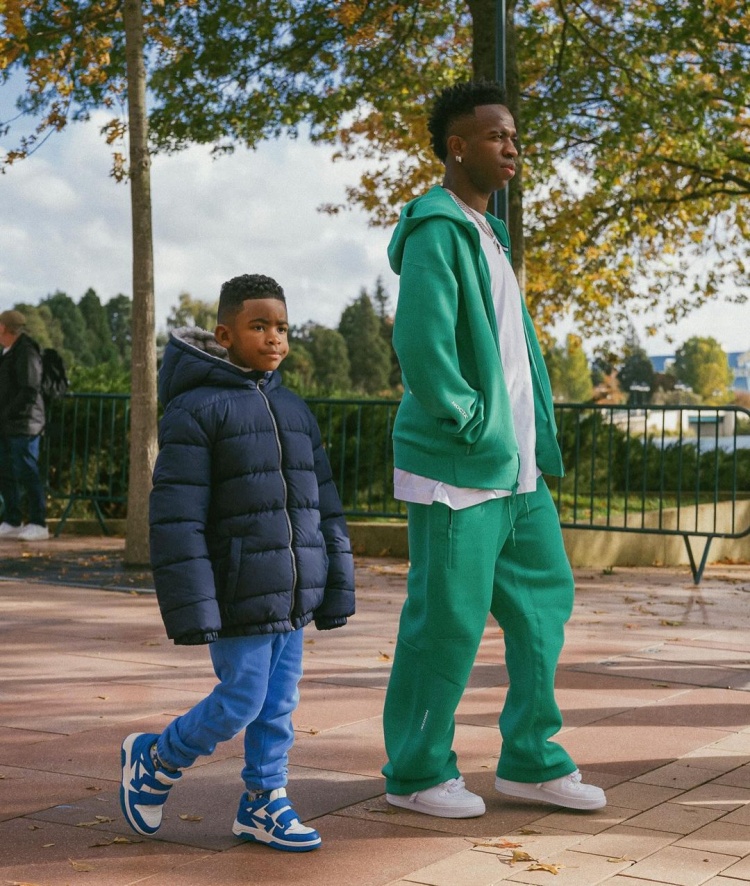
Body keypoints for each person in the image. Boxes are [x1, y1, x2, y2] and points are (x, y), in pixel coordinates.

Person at [381, 81, 606, 818]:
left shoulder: (489, 235)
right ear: (457, 146)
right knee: (446, 622)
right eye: (495, 135)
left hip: (518, 470)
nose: (511, 147)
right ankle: (416, 773)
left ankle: (532, 762)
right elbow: (422, 344)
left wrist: (527, 438)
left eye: (513, 136)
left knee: (542, 609)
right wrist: (472, 421)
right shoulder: (436, 229)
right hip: (458, 467)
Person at [119, 274, 355, 852]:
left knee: (279, 704)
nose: (274, 338)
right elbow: (177, 517)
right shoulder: (195, 410)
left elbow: (324, 502)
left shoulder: (294, 409)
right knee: (243, 698)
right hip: (236, 588)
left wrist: (336, 580)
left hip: (293, 590)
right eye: (259, 326)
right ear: (225, 335)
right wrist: (193, 606)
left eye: (282, 327)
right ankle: (157, 758)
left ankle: (263, 802)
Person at [0, 309, 50, 541]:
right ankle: (12, 520)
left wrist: (6, 413)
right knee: (6, 470)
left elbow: (29, 389)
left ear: (4, 328)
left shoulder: (26, 351)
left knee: (27, 471)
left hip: (25, 423)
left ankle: (39, 523)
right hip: (9, 423)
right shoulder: (8, 351)